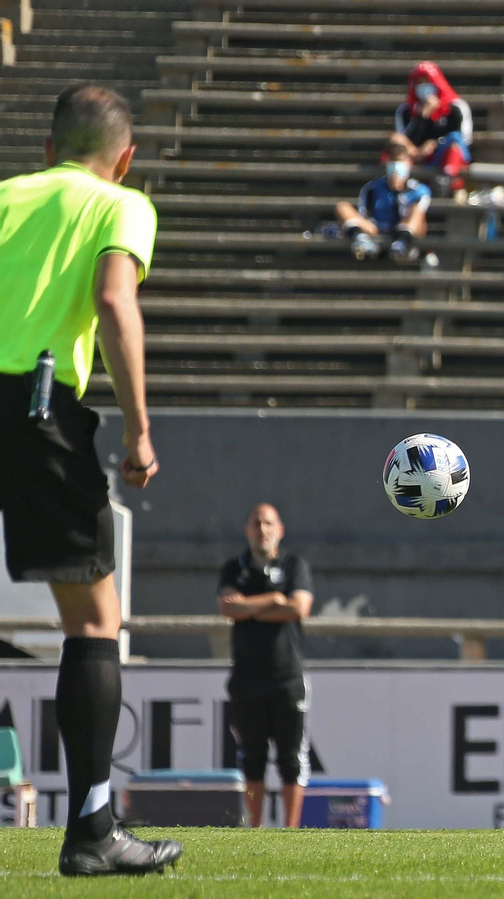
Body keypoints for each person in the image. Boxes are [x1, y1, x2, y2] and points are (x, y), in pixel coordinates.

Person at [0, 84, 181, 875]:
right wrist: (139, 429)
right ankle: (93, 829)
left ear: (46, 149)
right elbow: (114, 300)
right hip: (37, 405)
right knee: (94, 618)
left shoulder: (7, 196)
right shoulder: (120, 204)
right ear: (126, 157)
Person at [217, 504, 314, 829]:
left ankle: (290, 830)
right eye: (256, 523)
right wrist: (273, 600)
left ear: (279, 529)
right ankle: (255, 829)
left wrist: (250, 607)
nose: (262, 529)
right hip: (246, 677)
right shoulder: (235, 568)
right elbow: (229, 608)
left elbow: (298, 609)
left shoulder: (294, 564)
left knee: (291, 759)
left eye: (268, 523)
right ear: (247, 530)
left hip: (286, 677)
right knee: (252, 758)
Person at [333, 141, 433, 265]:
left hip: (407, 232)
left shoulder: (419, 190)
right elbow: (364, 215)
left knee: (417, 210)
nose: (397, 167)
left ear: (409, 163)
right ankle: (362, 240)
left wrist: (399, 191)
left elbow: (419, 217)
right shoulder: (372, 188)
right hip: (376, 230)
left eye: (401, 162)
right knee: (342, 206)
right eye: (394, 162)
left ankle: (401, 243)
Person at [391, 61, 473, 195]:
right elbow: (402, 141)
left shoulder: (456, 107)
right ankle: (400, 190)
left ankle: (449, 179)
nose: (424, 87)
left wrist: (436, 144)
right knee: (396, 149)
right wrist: (421, 118)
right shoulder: (405, 111)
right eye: (419, 83)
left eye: (427, 82)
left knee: (454, 141)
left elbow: (465, 139)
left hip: (445, 153)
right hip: (417, 157)